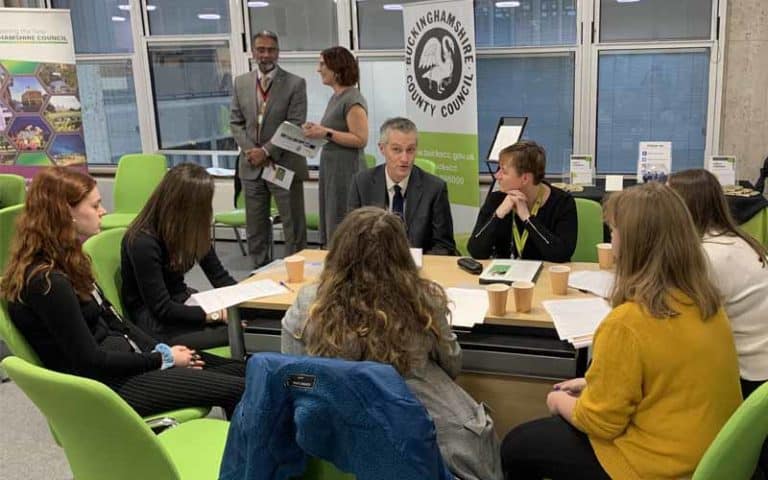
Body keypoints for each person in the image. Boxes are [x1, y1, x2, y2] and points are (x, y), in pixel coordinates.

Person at [501, 182, 742, 480]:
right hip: (707, 456)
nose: (610, 239)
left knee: (516, 446)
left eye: (613, 231)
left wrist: (558, 402)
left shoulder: (626, 324)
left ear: (631, 244)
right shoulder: (707, 304)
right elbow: (665, 380)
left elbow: (601, 423)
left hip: (655, 466)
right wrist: (595, 385)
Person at [1, 167, 245, 418]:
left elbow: (116, 321)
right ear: (65, 213)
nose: (103, 212)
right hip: (106, 387)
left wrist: (160, 351)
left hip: (126, 361)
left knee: (244, 370)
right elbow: (91, 362)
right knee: (239, 387)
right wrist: (162, 359)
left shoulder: (69, 263)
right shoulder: (48, 283)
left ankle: (278, 397)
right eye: (95, 206)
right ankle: (245, 455)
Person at [281, 207, 502, 480]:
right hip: (423, 444)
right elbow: (452, 364)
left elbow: (293, 379)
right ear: (401, 255)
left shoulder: (308, 304)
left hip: (333, 441)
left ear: (338, 251)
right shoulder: (421, 300)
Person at [669, 168, 768, 398]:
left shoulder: (705, 256)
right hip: (758, 368)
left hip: (743, 377)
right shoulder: (738, 240)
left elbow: (678, 326)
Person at [121, 163, 236, 351]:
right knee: (240, 333)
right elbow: (162, 309)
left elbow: (219, 276)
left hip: (181, 304)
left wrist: (247, 301)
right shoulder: (142, 241)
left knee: (249, 324)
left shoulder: (190, 229)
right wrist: (213, 315)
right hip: (156, 322)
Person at [231, 30, 308, 268]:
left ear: (278, 52)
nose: (266, 55)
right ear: (253, 52)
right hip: (251, 167)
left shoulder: (295, 83)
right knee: (255, 226)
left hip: (282, 164)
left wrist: (265, 151)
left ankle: (296, 275)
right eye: (261, 49)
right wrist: (251, 151)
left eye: (271, 50)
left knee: (292, 226)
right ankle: (260, 273)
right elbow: (235, 122)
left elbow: (295, 125)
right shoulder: (241, 82)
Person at [348, 117, 456, 255]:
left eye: (410, 150)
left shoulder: (435, 188)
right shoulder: (361, 183)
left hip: (418, 269)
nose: (405, 158)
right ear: (382, 149)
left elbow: (444, 246)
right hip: (374, 267)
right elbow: (352, 238)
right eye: (397, 150)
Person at [467, 140, 577, 262]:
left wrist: (527, 219)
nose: (497, 176)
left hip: (545, 276)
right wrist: (498, 215)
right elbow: (475, 251)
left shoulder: (562, 202)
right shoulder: (496, 199)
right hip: (505, 276)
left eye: (504, 171)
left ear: (525, 178)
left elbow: (561, 255)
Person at [302, 46, 368, 246]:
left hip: (346, 170)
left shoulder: (353, 99)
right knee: (333, 217)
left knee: (343, 220)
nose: (318, 69)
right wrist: (318, 130)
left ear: (336, 68)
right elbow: (334, 131)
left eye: (322, 64)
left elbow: (360, 139)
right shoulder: (336, 97)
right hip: (333, 169)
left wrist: (326, 132)